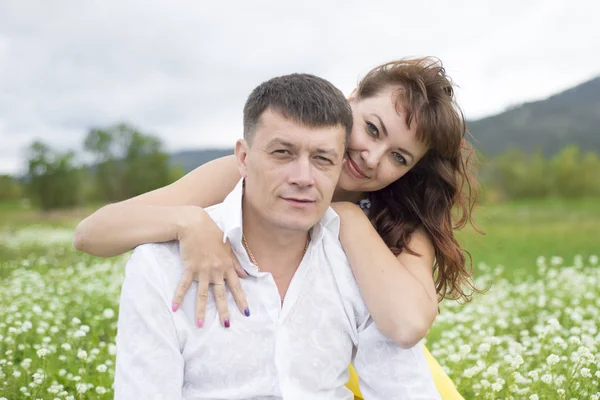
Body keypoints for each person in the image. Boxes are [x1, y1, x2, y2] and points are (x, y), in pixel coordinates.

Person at [76, 57, 478, 399]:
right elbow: (92, 233)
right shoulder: (243, 175)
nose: (372, 158)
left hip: (360, 350)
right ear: (350, 100)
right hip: (267, 341)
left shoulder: (397, 218)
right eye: (372, 129)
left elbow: (406, 326)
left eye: (399, 157)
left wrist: (349, 220)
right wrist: (189, 220)